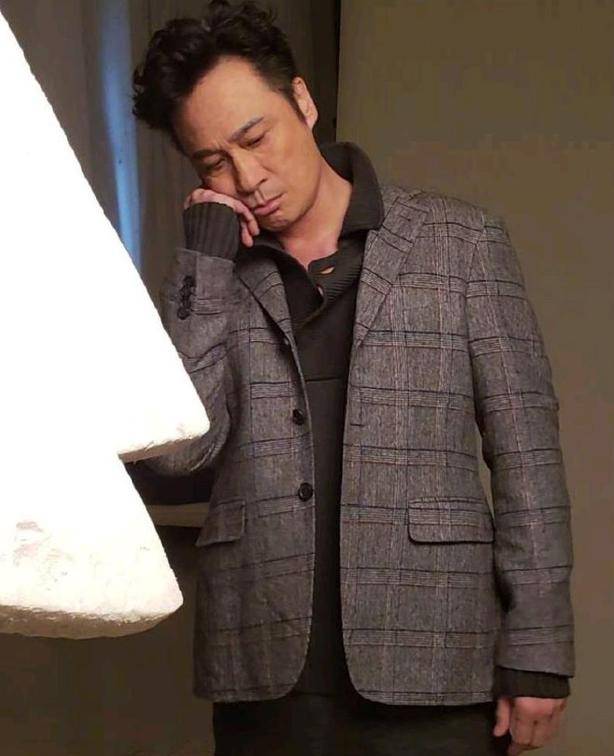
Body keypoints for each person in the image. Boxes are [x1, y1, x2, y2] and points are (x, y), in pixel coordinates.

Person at [129, 2, 575, 754]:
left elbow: (527, 456)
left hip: (435, 656)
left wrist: (539, 648)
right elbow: (178, 456)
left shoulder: (460, 243)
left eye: (255, 139)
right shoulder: (211, 280)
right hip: (263, 665)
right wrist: (204, 257)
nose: (248, 178)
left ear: (302, 101)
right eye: (213, 163)